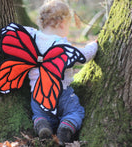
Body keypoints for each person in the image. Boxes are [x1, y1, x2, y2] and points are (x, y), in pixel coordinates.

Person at [23, 0, 98, 145]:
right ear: (62, 23)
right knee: (74, 112)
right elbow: (81, 57)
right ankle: (66, 127)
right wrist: (93, 46)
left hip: (38, 94)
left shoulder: (32, 40)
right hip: (61, 92)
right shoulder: (61, 44)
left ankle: (42, 124)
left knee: (40, 113)